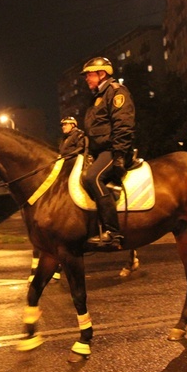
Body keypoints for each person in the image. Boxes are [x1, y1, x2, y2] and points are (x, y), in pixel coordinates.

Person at [81, 57, 135, 248]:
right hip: (101, 151)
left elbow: (123, 125)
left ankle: (114, 233)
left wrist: (119, 155)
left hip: (113, 150)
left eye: (90, 74)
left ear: (102, 74)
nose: (87, 78)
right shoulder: (97, 96)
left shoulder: (116, 92)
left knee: (92, 178)